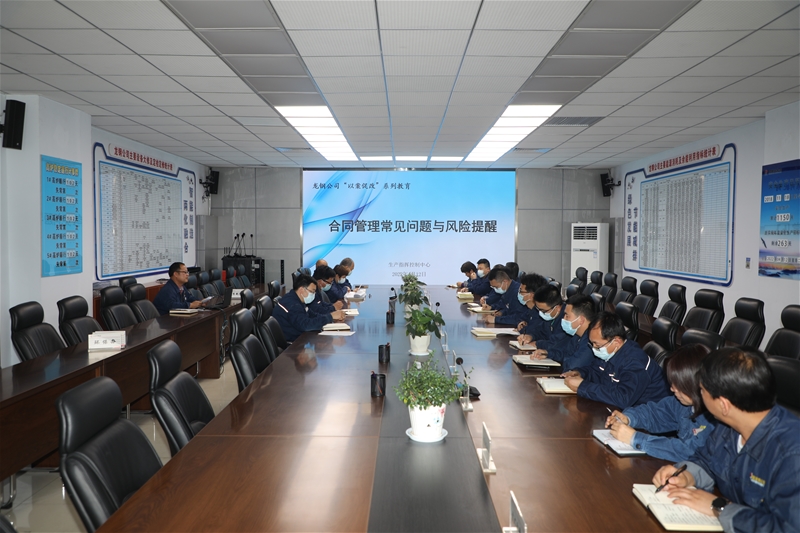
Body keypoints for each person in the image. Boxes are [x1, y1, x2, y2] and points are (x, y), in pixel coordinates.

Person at [653, 347, 800, 533]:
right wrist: (686, 475)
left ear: (723, 405)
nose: (699, 395)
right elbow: (705, 461)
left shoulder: (791, 454)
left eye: (701, 390)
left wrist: (720, 507)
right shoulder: (727, 427)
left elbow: (787, 528)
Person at [605, 344, 714, 462]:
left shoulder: (714, 419)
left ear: (693, 384)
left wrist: (635, 438)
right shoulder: (681, 403)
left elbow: (689, 452)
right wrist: (629, 418)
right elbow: (654, 413)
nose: (672, 389)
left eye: (678, 384)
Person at [562, 312, 670, 408]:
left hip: (648, 417)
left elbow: (623, 398)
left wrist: (582, 386)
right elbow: (596, 371)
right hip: (621, 410)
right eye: (592, 344)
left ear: (616, 342)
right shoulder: (610, 352)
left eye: (597, 344)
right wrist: (580, 373)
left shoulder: (635, 362)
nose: (594, 348)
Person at [530, 294, 596, 372]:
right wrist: (547, 353)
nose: (563, 318)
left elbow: (573, 365)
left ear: (581, 320)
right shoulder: (577, 335)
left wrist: (563, 360)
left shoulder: (592, 341)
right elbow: (565, 353)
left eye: (567, 316)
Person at [273, 274, 345, 342]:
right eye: (312, 291)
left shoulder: (297, 299)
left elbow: (312, 315)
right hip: (294, 344)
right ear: (301, 290)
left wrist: (331, 317)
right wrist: (330, 317)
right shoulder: (293, 305)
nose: (314, 295)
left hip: (301, 337)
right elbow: (306, 325)